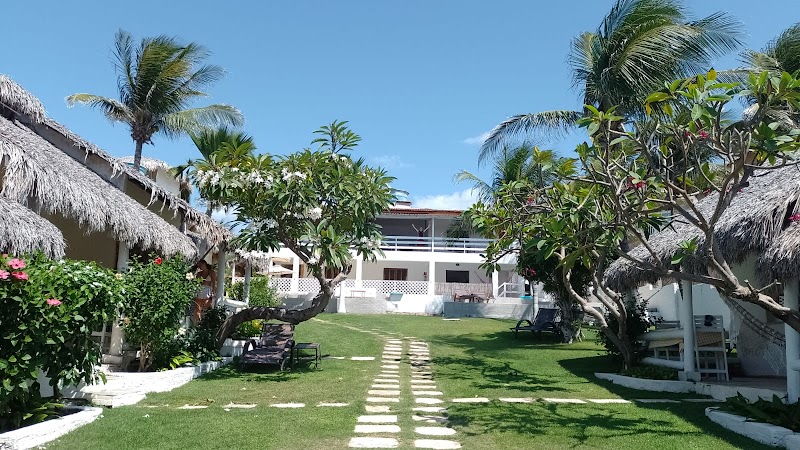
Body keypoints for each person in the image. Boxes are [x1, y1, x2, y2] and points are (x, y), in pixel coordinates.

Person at [192, 260, 216, 325]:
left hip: (207, 292)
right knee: (197, 309)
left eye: (201, 265)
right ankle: (198, 324)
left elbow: (213, 283)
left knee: (207, 308)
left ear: (205, 264)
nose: (200, 267)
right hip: (199, 291)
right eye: (199, 266)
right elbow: (196, 283)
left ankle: (208, 324)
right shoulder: (198, 273)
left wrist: (213, 292)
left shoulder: (211, 272)